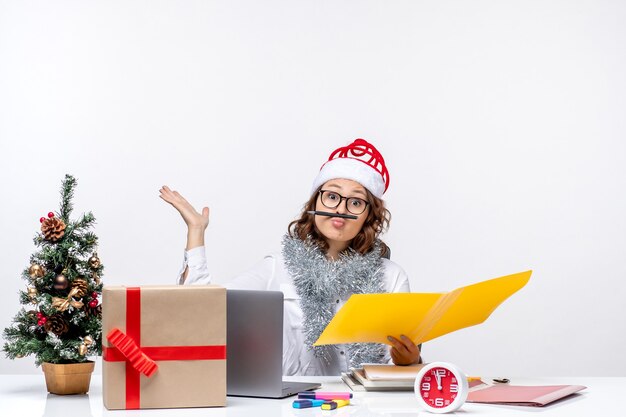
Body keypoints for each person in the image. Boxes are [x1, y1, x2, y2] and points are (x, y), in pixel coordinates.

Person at [160, 139, 421, 376]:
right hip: (296, 406)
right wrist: (196, 232)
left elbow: (399, 370)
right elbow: (204, 307)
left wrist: (410, 359)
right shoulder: (279, 267)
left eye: (355, 202)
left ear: (369, 215)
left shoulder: (392, 277)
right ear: (315, 203)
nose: (341, 209)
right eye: (331, 196)